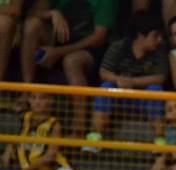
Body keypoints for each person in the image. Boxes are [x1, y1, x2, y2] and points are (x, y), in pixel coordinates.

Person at [20, 0, 115, 137]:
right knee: (32, 24)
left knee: (71, 61)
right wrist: (53, 13)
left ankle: (79, 130)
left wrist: (58, 52)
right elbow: (32, 12)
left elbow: (98, 37)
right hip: (60, 39)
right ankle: (26, 91)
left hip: (89, 50)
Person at [84, 11, 169, 150]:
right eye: (155, 35)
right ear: (141, 35)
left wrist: (132, 82)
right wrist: (118, 80)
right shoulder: (118, 46)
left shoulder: (159, 50)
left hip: (143, 98)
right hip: (119, 96)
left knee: (156, 90)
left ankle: (160, 141)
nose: (159, 39)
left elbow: (159, 78)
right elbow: (104, 72)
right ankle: (95, 138)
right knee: (106, 87)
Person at [1, 91, 77, 170]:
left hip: (53, 169)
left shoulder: (54, 125)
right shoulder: (23, 119)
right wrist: (10, 147)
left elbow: (50, 156)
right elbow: (15, 138)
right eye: (34, 97)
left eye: (42, 98)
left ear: (50, 100)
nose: (37, 102)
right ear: (29, 100)